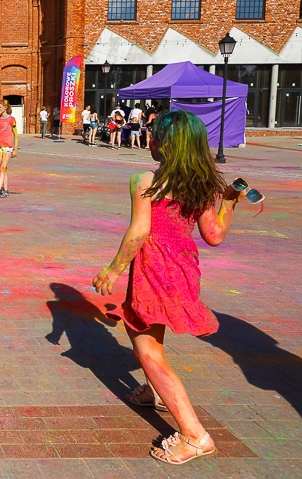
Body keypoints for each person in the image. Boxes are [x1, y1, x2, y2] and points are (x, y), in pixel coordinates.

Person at [93, 110, 249, 465]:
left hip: (152, 270)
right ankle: (153, 393)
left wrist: (112, 270)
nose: (149, 139)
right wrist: (227, 202)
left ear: (165, 145)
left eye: (153, 134)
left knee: (147, 351)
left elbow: (139, 231)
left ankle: (195, 436)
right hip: (183, 270)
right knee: (151, 336)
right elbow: (215, 236)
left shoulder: (144, 180)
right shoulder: (203, 185)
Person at [0, 99, 18, 199]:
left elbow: (15, 135)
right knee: (3, 169)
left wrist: (15, 149)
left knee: (2, 167)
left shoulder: (12, 119)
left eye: (0, 107)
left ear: (5, 107)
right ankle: (5, 190)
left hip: (8, 147)